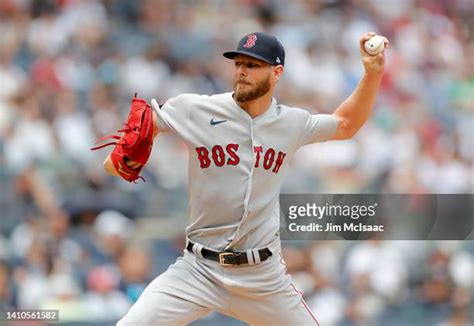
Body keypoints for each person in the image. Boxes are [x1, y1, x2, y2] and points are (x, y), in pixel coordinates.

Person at [106, 31, 388, 325]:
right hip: (198, 270)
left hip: (263, 278)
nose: (242, 71)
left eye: (253, 65)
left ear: (276, 72)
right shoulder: (197, 109)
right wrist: (121, 152)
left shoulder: (290, 122)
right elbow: (147, 120)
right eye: (238, 63)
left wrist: (372, 74)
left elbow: (345, 124)